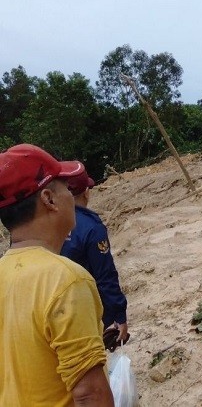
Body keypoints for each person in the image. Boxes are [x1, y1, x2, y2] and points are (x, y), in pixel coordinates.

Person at [0, 144, 113, 406]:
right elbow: (89, 394)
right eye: (67, 188)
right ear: (49, 199)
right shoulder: (66, 280)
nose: (72, 196)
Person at [61, 165, 129, 351]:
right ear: (86, 193)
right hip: (85, 313)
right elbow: (105, 276)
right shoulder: (92, 228)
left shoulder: (47, 222)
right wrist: (119, 315)